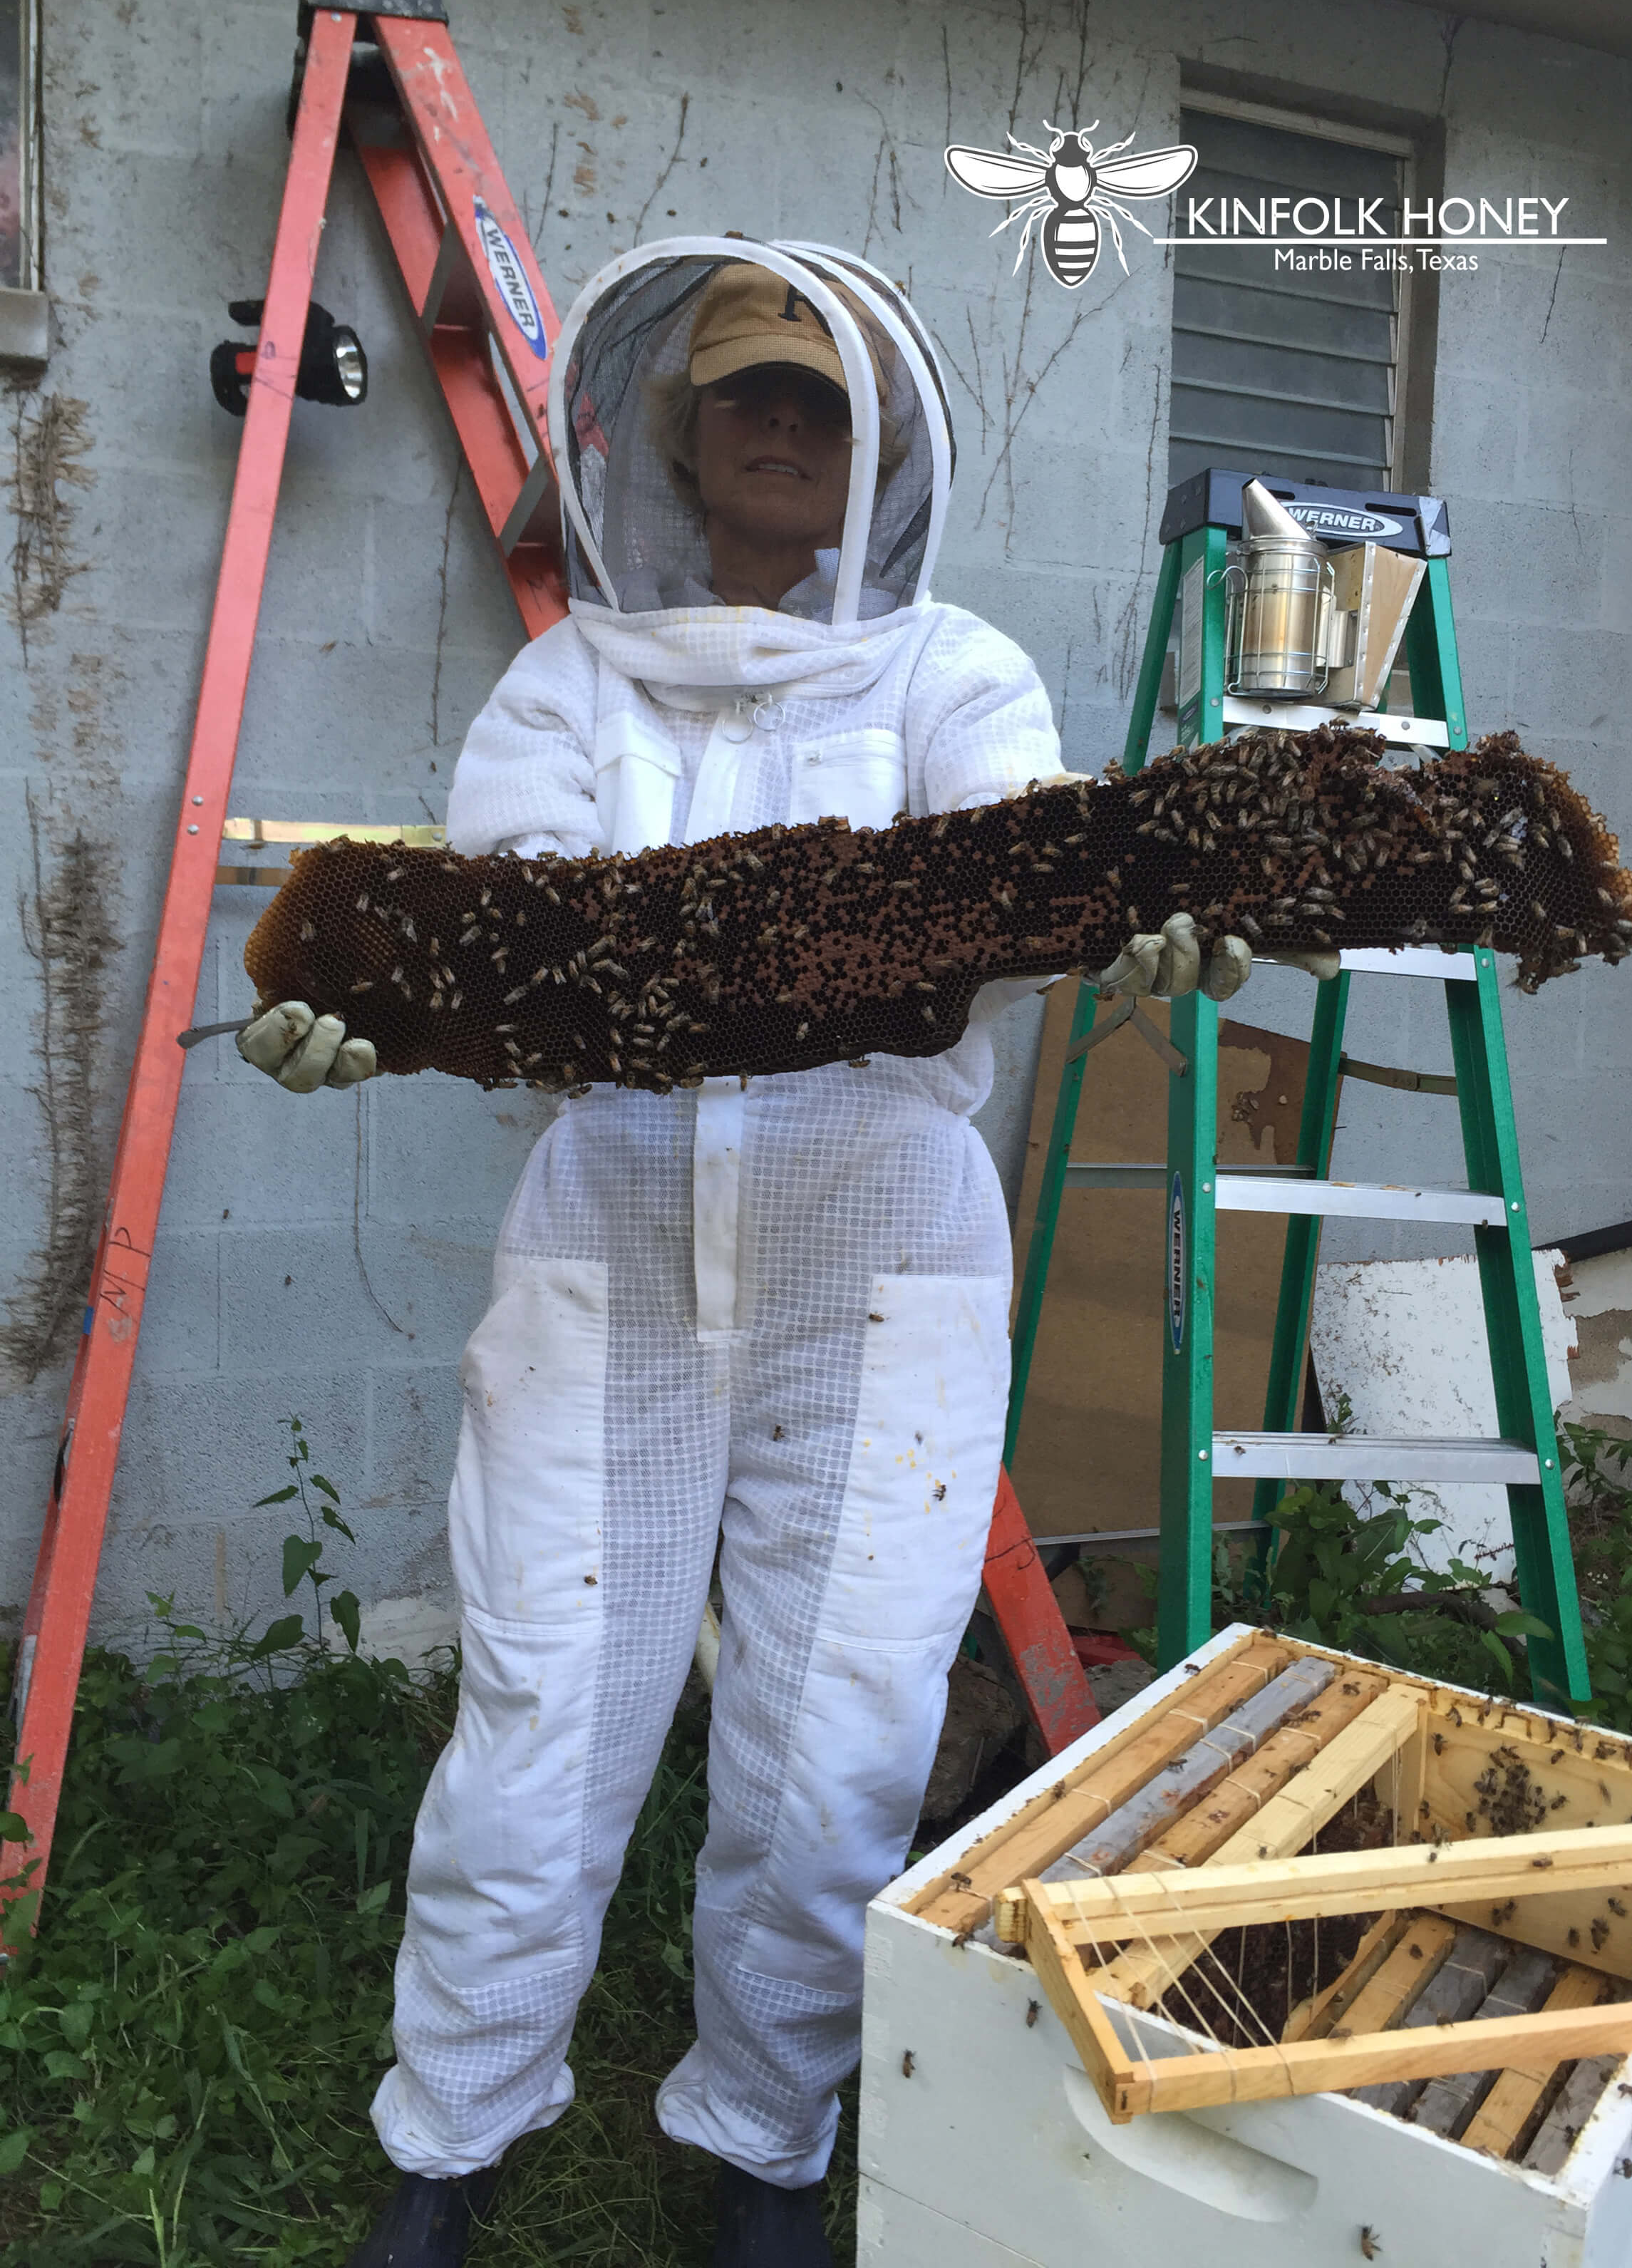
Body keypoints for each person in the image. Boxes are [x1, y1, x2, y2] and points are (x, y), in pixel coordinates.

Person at [239, 239, 1258, 2267]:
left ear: (877, 444)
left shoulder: (953, 676)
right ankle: (449, 2138)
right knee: (541, 1704)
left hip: (876, 1271)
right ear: (677, 434)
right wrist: (369, 1005)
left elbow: (1016, 844)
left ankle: (765, 2148)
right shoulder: (563, 686)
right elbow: (510, 951)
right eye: (746, 394)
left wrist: (1126, 895)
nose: (782, 424)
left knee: (845, 1728)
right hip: (607, 1248)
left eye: (818, 397)